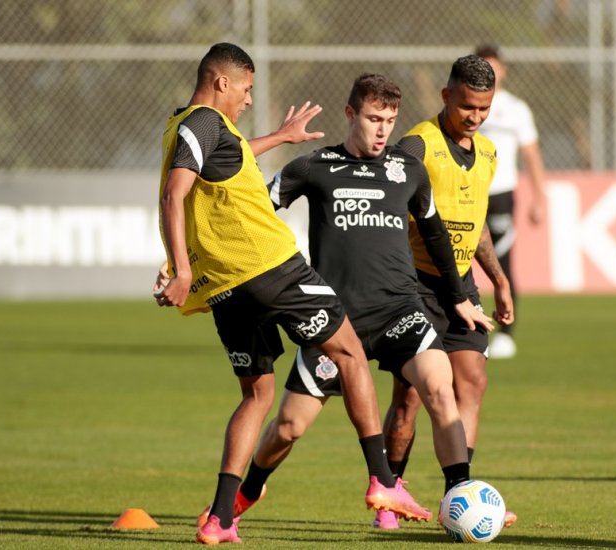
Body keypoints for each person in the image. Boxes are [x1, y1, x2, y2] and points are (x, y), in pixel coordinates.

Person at [153, 43, 430, 545]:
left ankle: (220, 519)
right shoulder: (203, 122)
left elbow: (225, 163)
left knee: (257, 396)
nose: (248, 99)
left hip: (228, 286)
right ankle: (383, 482)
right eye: (246, 89)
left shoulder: (189, 128)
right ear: (221, 83)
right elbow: (176, 192)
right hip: (268, 265)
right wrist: (180, 268)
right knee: (350, 352)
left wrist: (280, 137)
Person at [194, 72, 495, 531]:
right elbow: (253, 209)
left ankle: (463, 497)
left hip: (400, 310)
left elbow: (434, 236)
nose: (382, 130)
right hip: (335, 322)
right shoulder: (312, 167)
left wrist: (460, 299)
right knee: (288, 427)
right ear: (351, 114)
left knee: (440, 387)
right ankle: (249, 490)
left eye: (390, 120)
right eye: (374, 118)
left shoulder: (407, 170)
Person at [375, 54, 517, 529]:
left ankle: (461, 496)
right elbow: (389, 205)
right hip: (414, 284)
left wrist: (498, 279)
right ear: (446, 96)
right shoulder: (418, 144)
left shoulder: (490, 154)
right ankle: (390, 495)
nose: (475, 117)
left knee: (472, 380)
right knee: (412, 396)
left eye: (484, 108)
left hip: (462, 284)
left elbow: (475, 228)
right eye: (466, 107)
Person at [475, 44, 547, 359]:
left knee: (502, 261)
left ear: (503, 70)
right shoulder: (467, 105)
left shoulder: (516, 109)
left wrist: (539, 197)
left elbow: (530, 153)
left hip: (502, 192)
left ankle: (505, 333)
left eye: (494, 67)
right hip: (468, 192)